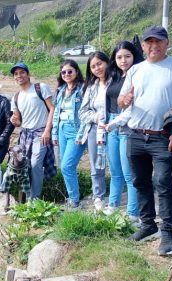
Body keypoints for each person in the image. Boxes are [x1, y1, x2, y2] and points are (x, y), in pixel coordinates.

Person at [119, 26, 172, 256]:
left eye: (159, 41)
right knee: (140, 181)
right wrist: (124, 99)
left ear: (167, 43)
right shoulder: (135, 70)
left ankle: (168, 232)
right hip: (135, 134)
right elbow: (121, 100)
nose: (153, 46)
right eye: (149, 42)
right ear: (143, 46)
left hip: (163, 137)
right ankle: (148, 225)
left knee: (163, 183)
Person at [102, 41, 144, 219]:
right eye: (119, 57)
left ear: (134, 57)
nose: (123, 60)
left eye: (127, 56)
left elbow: (132, 108)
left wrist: (114, 123)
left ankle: (132, 213)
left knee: (129, 174)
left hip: (127, 127)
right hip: (111, 124)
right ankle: (113, 205)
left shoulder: (138, 76)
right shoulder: (115, 76)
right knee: (115, 171)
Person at [9, 62, 56, 200]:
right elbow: (18, 121)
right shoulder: (16, 97)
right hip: (25, 134)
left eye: (22, 72)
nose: (19, 76)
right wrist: (14, 120)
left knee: (36, 164)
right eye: (16, 74)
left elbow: (52, 108)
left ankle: (34, 199)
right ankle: (26, 198)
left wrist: (47, 130)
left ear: (28, 74)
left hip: (40, 133)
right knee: (25, 166)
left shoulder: (40, 88)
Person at [50, 60, 86, 208]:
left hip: (76, 130)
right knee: (64, 166)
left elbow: (85, 112)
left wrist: (81, 134)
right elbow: (56, 112)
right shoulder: (60, 90)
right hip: (62, 130)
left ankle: (74, 200)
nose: (66, 74)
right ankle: (72, 198)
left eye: (70, 71)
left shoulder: (83, 89)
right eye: (63, 72)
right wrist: (54, 134)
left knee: (67, 166)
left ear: (76, 72)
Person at [78, 52, 109, 210]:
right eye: (93, 66)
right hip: (95, 130)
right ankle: (98, 196)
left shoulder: (116, 82)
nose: (97, 68)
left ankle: (123, 197)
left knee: (120, 166)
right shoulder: (91, 87)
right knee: (96, 165)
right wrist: (96, 117)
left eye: (100, 64)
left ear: (107, 63)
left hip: (115, 129)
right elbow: (82, 112)